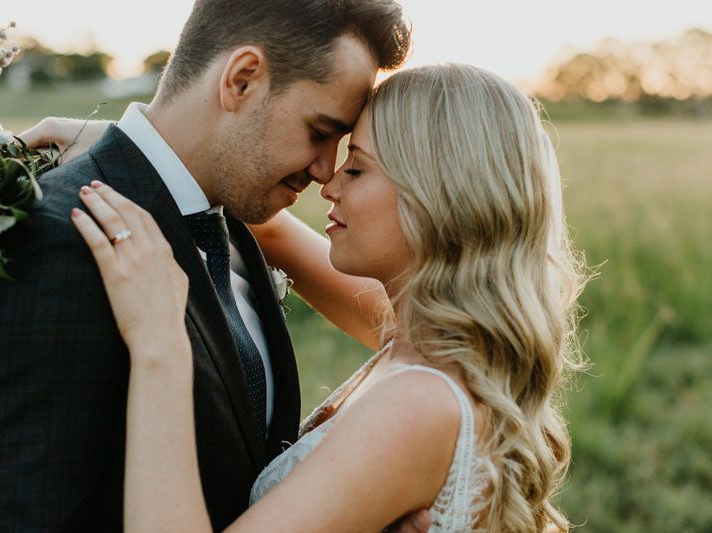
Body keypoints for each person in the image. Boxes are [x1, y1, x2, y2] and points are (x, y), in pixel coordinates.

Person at [0, 1, 430, 531]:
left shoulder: (240, 236)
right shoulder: (59, 240)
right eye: (320, 130)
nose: (325, 170)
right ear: (241, 80)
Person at [64, 64, 586, 531]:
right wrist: (120, 150)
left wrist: (160, 342)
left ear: (439, 200)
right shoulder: (435, 336)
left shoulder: (421, 404)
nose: (328, 184)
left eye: (356, 167)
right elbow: (270, 230)